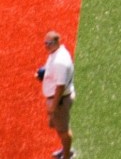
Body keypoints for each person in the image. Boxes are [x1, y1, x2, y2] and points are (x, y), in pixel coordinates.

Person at [36, 31, 75, 159]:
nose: (46, 46)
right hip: (58, 99)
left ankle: (67, 155)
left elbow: (60, 85)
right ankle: (66, 150)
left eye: (49, 43)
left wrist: (53, 104)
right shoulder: (56, 53)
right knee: (59, 127)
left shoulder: (60, 61)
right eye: (45, 43)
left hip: (59, 100)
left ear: (57, 42)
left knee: (63, 130)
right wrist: (43, 75)